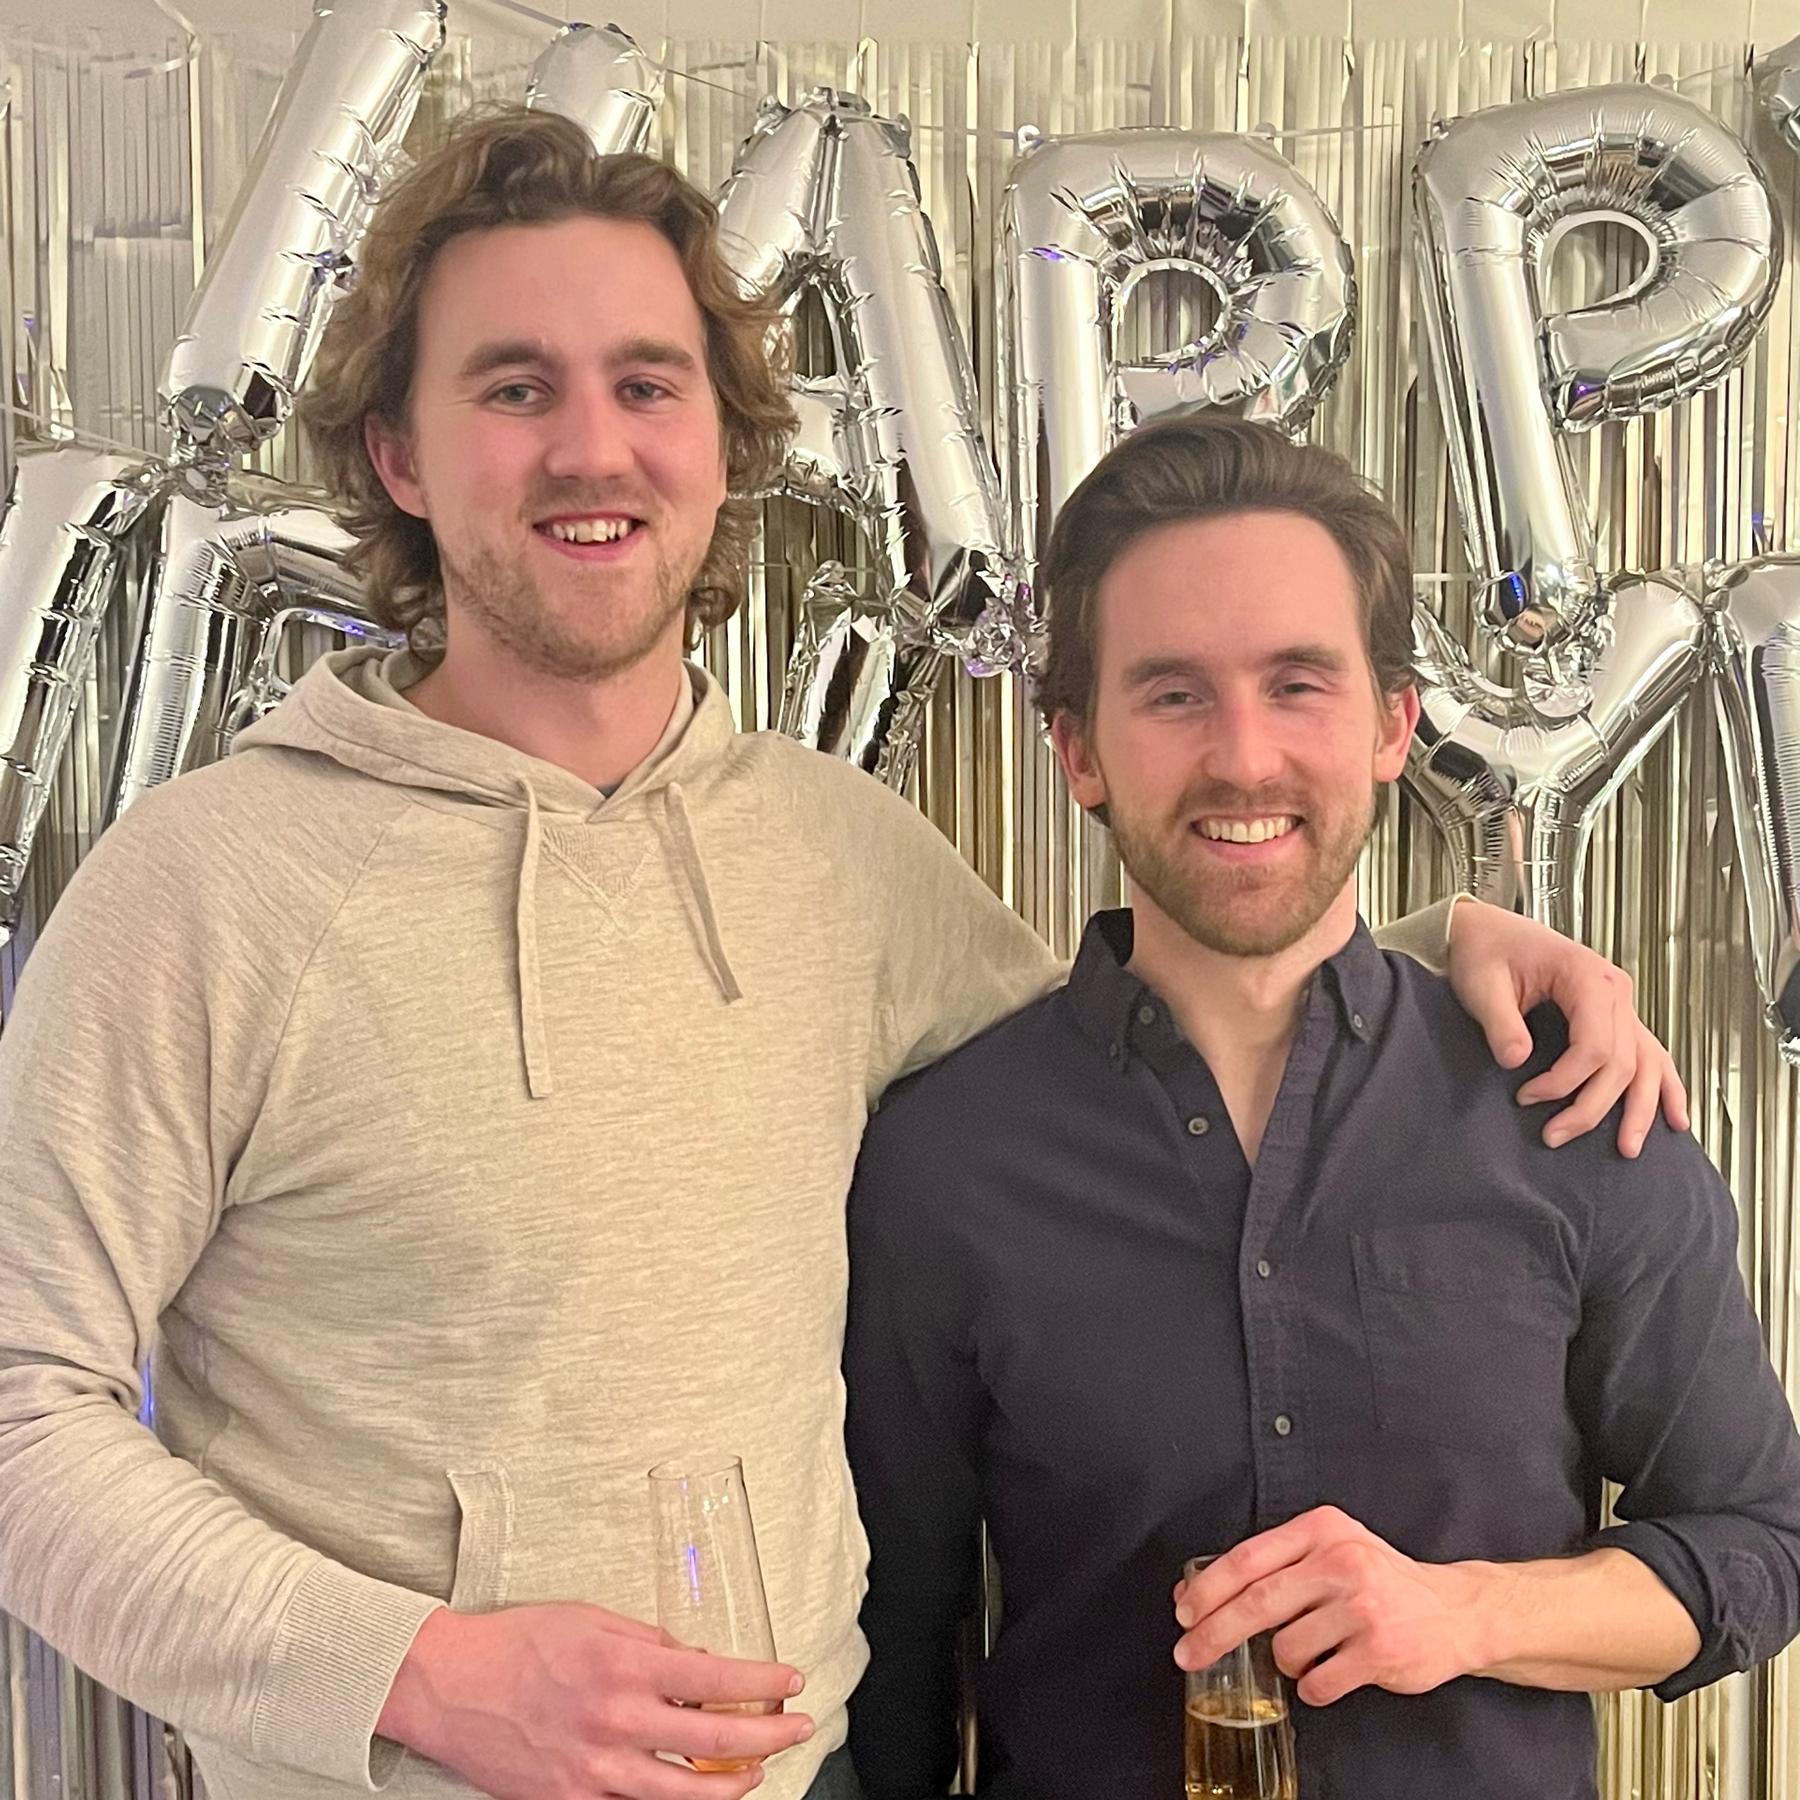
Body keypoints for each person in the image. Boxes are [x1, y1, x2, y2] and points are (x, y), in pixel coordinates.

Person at [0, 111, 1681, 1800]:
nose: (593, 447)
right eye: (514, 388)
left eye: (648, 385)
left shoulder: (834, 854)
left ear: (722, 446)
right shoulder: (209, 889)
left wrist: (1440, 945)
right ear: (399, 456)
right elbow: (19, 1413)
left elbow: (1155, 1024)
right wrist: (418, 1677)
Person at [840, 415, 1800, 1800]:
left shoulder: (1570, 1103)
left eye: (1298, 685)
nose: (1244, 758)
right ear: (1078, 750)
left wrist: (1465, 1612)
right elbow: (895, 1645)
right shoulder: (945, 1161)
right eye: (1174, 694)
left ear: (1393, 724)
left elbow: (1759, 1543)